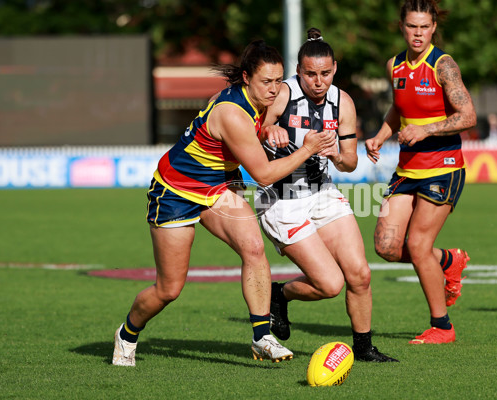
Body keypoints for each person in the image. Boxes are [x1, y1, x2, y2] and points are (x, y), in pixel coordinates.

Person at [112, 40, 337, 366]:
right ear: (246, 78)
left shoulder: (257, 102)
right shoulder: (232, 113)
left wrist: (268, 131)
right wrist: (307, 148)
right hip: (176, 193)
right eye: (267, 82)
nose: (275, 89)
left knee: (253, 248)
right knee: (169, 289)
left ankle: (262, 337)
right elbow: (263, 174)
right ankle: (128, 333)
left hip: (216, 188)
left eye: (279, 80)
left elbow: (245, 143)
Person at [254, 28, 397, 362]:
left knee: (360, 274)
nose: (318, 82)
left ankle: (363, 348)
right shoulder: (282, 93)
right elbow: (252, 127)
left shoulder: (342, 102)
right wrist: (268, 128)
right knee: (330, 285)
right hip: (280, 199)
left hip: (322, 192)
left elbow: (350, 162)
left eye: (325, 74)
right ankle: (280, 295)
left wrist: (335, 155)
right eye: (310, 74)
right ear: (299, 71)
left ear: (335, 70)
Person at [365, 0, 476, 344]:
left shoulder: (444, 66)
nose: (418, 33)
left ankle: (442, 327)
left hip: (443, 166)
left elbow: (468, 116)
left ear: (433, 28)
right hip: (408, 168)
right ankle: (447, 260)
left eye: (424, 27)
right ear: (402, 26)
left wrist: (425, 130)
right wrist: (381, 135)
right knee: (385, 245)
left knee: (417, 244)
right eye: (412, 26)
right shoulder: (394, 65)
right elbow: (399, 109)